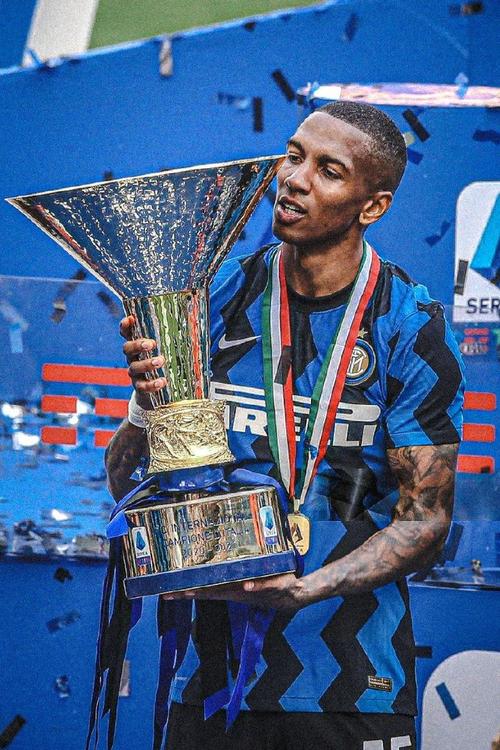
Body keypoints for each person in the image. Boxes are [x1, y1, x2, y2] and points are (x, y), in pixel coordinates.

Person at [106, 101, 464, 750]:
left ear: (373, 205)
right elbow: (126, 483)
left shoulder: (410, 325)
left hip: (353, 680)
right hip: (210, 679)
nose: (295, 179)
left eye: (329, 170)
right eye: (293, 156)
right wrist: (146, 403)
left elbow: (426, 523)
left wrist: (306, 589)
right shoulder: (211, 300)